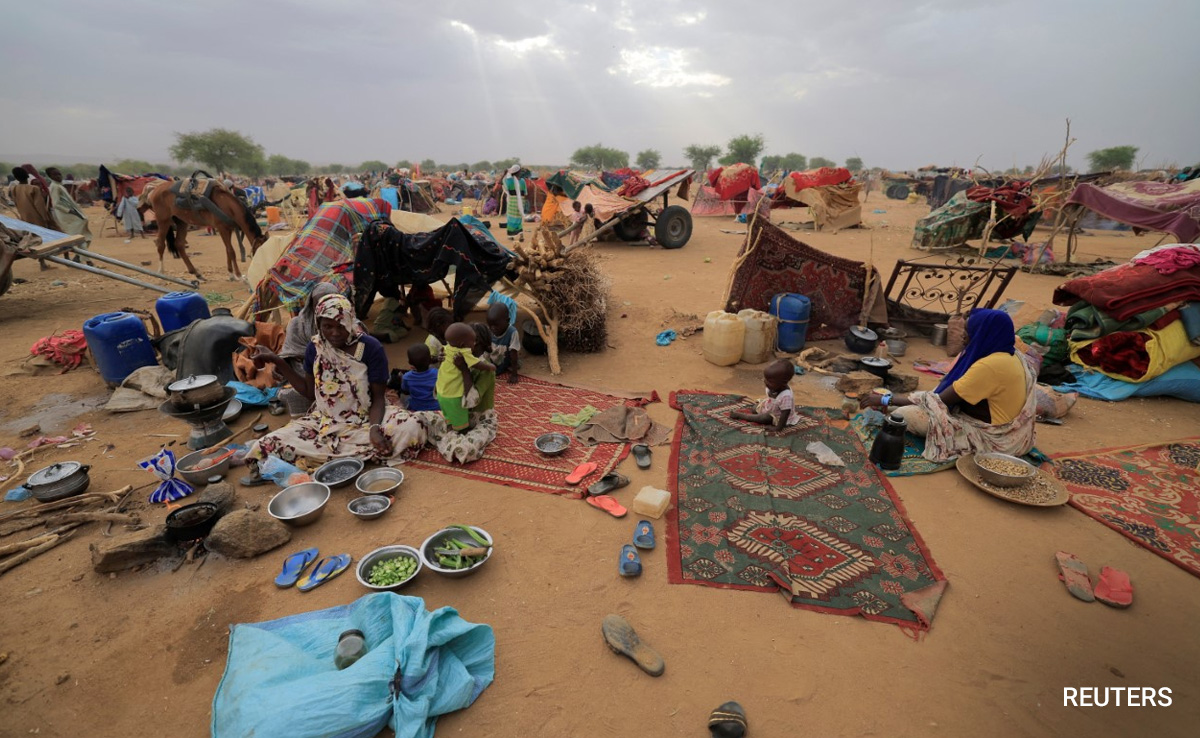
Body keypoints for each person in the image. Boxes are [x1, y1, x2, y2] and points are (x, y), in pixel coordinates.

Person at [243, 293, 426, 477]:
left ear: (350, 322)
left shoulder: (370, 348)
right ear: (318, 325)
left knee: (411, 426)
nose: (335, 332)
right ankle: (356, 454)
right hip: (325, 423)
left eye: (341, 326)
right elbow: (308, 392)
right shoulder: (315, 348)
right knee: (267, 443)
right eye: (327, 326)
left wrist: (374, 429)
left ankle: (332, 456)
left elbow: (378, 397)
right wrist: (276, 360)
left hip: (368, 418)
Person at [859, 309, 1037, 462]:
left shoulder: (990, 366)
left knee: (902, 414)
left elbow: (938, 400)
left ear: (982, 333)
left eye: (968, 330)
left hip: (994, 439)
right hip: (1013, 433)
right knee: (915, 399)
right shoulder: (1011, 355)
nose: (963, 335)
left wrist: (885, 399)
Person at [435, 322, 495, 432]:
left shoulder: (486, 370)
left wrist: (464, 369)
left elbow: (472, 400)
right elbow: (446, 378)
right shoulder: (458, 356)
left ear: (477, 345)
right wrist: (444, 362)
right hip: (461, 411)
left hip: (480, 417)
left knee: (464, 446)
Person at [731, 360, 801, 431]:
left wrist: (778, 428)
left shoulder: (786, 396)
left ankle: (742, 416)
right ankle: (758, 414)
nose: (765, 382)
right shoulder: (775, 386)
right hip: (770, 408)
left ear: (783, 383)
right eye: (766, 379)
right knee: (754, 408)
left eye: (770, 381)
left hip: (778, 416)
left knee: (764, 418)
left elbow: (785, 414)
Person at [44, 167, 93, 265]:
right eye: (55, 175)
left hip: (72, 215)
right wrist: (70, 210)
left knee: (84, 237)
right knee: (81, 238)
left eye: (59, 174)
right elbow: (56, 204)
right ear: (50, 176)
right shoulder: (55, 187)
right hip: (68, 217)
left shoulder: (59, 186)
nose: (58, 176)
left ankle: (79, 257)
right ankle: (88, 261)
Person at [485, 301, 521, 384]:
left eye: (496, 325)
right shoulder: (488, 330)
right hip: (490, 360)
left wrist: (514, 374)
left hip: (504, 362)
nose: (493, 328)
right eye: (490, 325)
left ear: (507, 321)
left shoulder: (512, 332)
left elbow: (514, 354)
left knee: (515, 363)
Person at [399, 343, 440, 412]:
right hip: (437, 407)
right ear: (430, 359)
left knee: (404, 397)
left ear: (410, 362)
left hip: (417, 408)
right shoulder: (437, 373)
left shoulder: (407, 377)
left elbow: (405, 391)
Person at [503, 164, 526, 240]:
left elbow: (503, 184)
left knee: (511, 218)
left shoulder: (509, 180)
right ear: (519, 172)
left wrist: (504, 174)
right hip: (521, 202)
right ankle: (521, 235)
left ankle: (511, 236)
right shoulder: (522, 181)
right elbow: (525, 193)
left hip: (512, 201)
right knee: (519, 219)